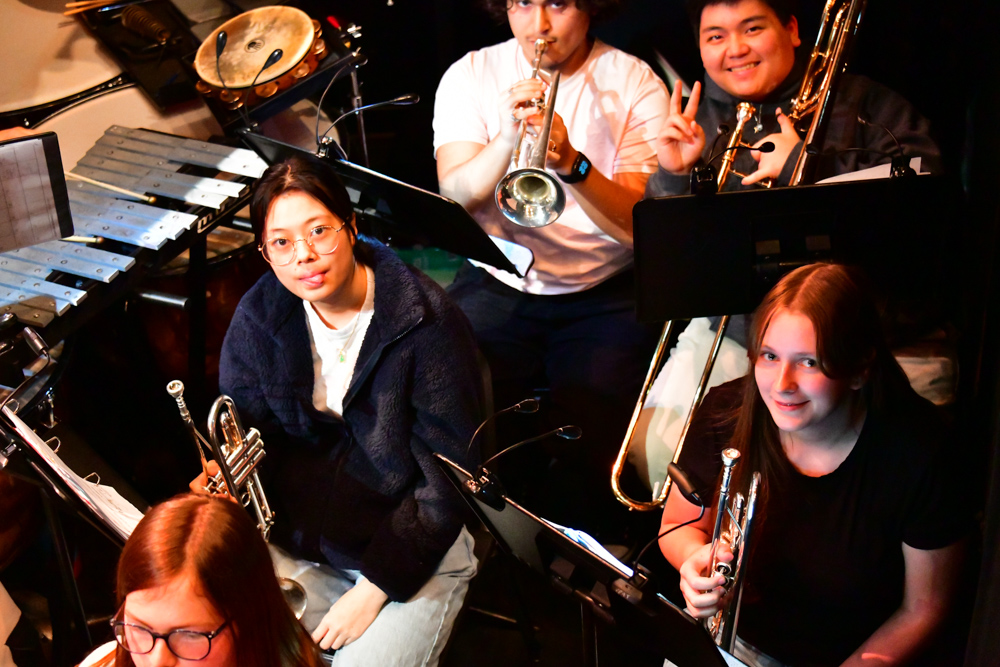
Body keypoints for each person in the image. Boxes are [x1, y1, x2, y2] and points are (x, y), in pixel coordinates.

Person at [634, 0, 945, 501]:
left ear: (794, 30)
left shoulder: (868, 103)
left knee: (887, 470)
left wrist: (805, 166)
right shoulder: (697, 119)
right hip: (739, 332)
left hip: (862, 338)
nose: (735, 49)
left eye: (752, 28)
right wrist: (674, 174)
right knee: (657, 452)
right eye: (715, 36)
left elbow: (925, 214)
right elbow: (669, 261)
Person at [216, 154, 483, 665]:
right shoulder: (258, 316)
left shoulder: (428, 324)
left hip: (412, 545)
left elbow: (448, 481)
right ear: (265, 253)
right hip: (300, 541)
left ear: (352, 227)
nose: (304, 256)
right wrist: (226, 477)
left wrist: (375, 589)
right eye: (281, 242)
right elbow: (248, 432)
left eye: (319, 231)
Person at [658, 263, 973, 667]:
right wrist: (693, 559)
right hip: (730, 642)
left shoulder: (921, 453)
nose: (782, 384)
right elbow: (677, 526)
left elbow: (924, 609)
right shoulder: (726, 412)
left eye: (809, 362)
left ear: (858, 369)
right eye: (770, 356)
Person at [433, 0, 668, 533]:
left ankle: (587, 542)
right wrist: (507, 139)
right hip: (499, 274)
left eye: (558, 4)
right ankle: (490, 533)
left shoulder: (634, 82)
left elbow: (637, 227)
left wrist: (571, 163)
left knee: (596, 429)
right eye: (522, 4)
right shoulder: (471, 73)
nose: (537, 26)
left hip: (604, 287)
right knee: (458, 402)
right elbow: (456, 195)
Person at [79, 493, 323, 667]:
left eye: (189, 635)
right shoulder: (106, 660)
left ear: (249, 621)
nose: (157, 661)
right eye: (139, 628)